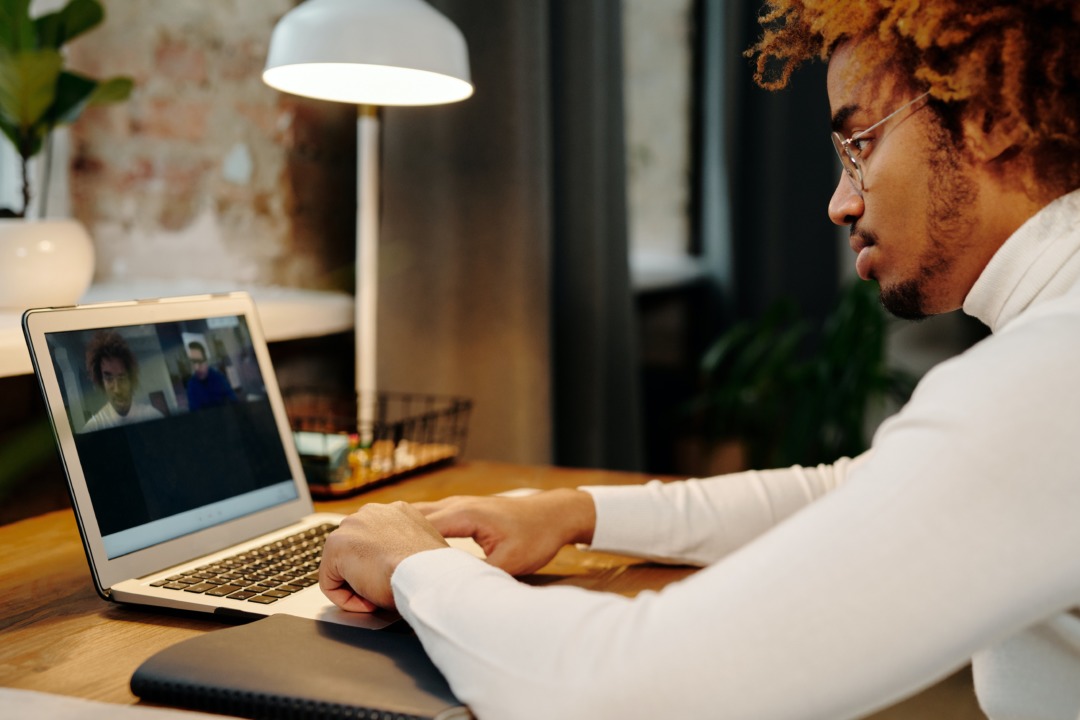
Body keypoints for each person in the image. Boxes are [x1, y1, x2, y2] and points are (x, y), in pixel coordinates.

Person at [319, 2, 1080, 718]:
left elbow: (620, 694)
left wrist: (416, 567)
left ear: (986, 119)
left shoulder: (1050, 378)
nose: (839, 202)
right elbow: (861, 490)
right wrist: (576, 511)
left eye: (858, 143)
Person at [83, 330, 165, 432]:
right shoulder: (93, 429)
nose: (117, 389)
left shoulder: (153, 417)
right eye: (109, 379)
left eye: (122, 378)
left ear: (131, 380)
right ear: (101, 382)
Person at [185, 341, 238, 411]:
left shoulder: (218, 378)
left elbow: (234, 403)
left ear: (205, 360)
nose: (196, 367)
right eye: (193, 362)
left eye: (199, 361)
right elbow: (194, 412)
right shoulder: (191, 385)